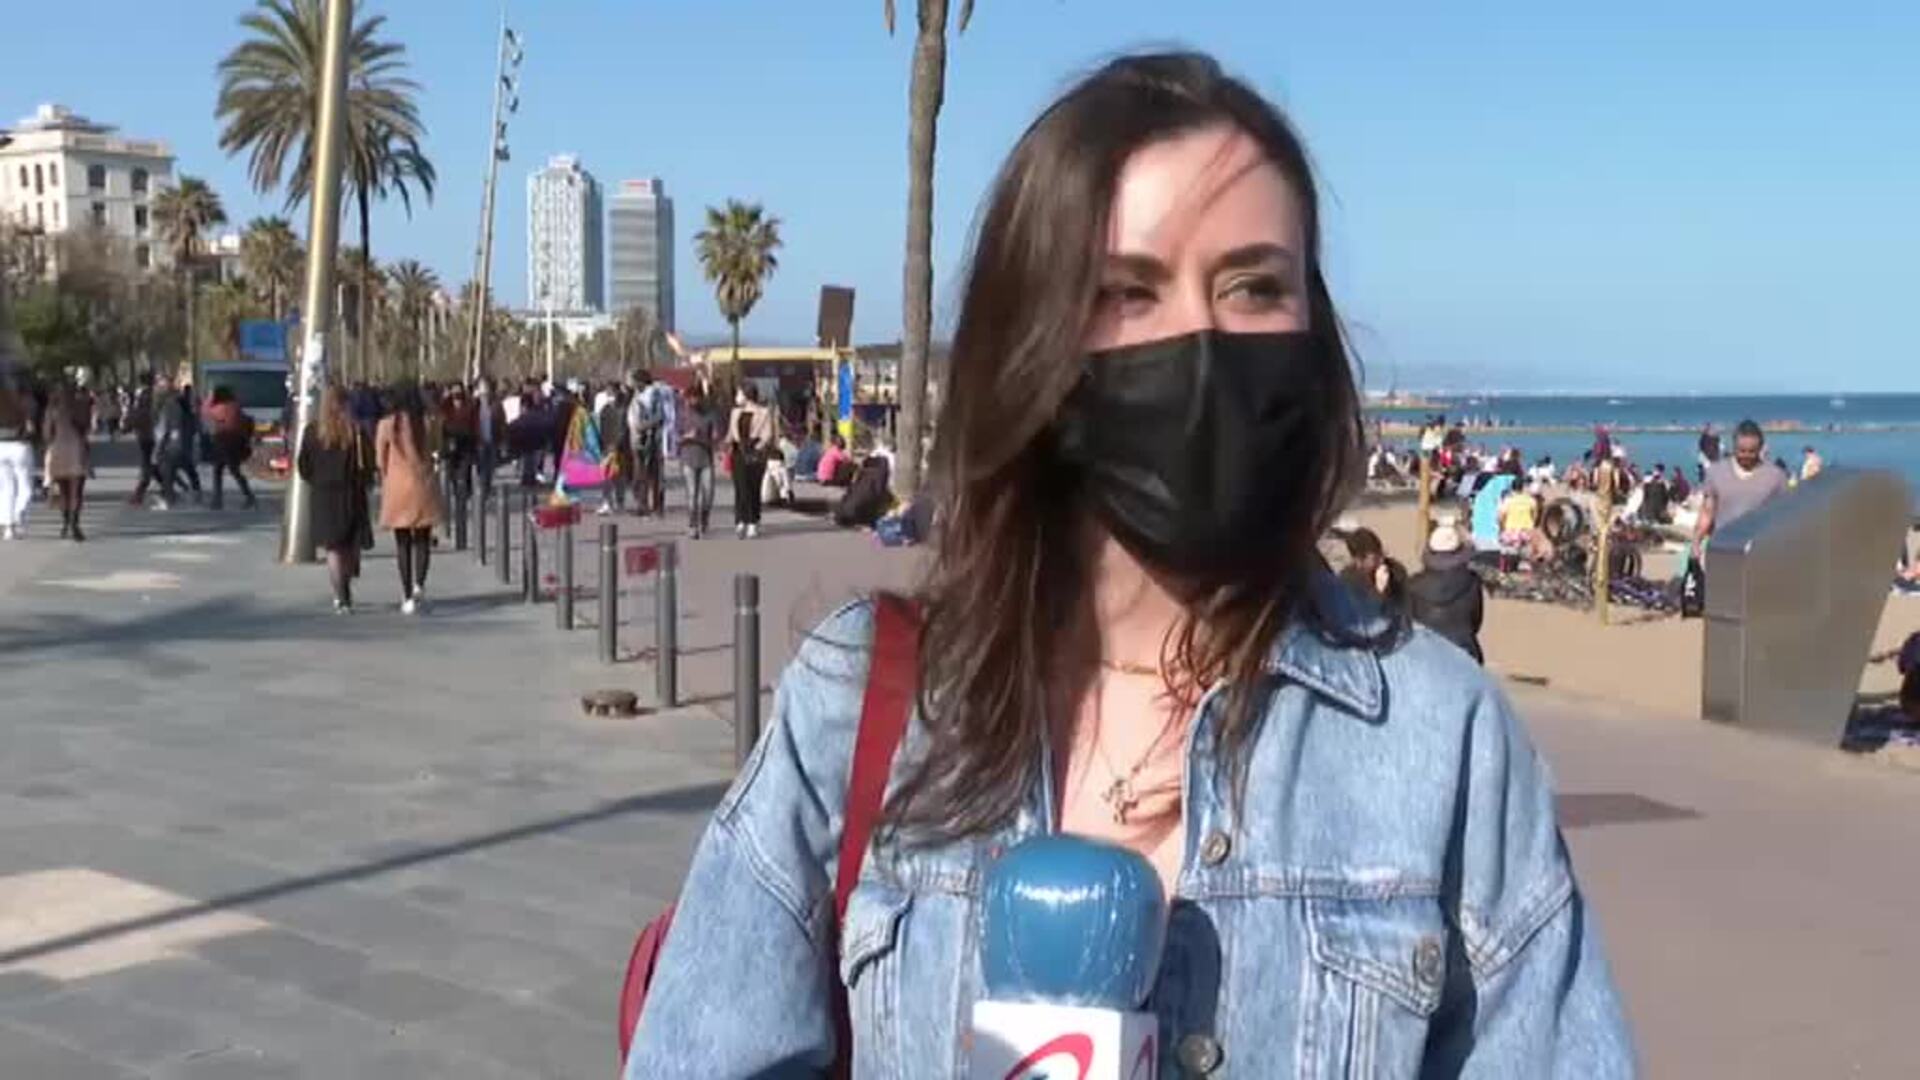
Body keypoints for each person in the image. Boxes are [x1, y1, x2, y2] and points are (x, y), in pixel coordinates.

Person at [626, 51, 1629, 1077]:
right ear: (1037, 352)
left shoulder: (1438, 739)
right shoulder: (860, 704)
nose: (1200, 341)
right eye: (1129, 293)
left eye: (1253, 286)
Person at [297, 385, 374, 613]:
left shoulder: (313, 431)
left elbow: (304, 465)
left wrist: (315, 479)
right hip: (351, 493)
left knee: (333, 548)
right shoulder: (355, 432)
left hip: (324, 495)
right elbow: (369, 462)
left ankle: (341, 597)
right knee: (350, 545)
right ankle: (346, 585)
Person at [376, 386, 444, 614]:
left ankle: (406, 595)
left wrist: (387, 474)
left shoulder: (387, 425)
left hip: (397, 486)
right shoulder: (427, 423)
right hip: (423, 484)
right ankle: (419, 585)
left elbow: (380, 459)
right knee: (423, 539)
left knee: (402, 543)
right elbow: (437, 448)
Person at [1695, 418, 1789, 551]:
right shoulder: (1715, 472)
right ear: (1733, 446)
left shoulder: (1776, 476)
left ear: (1760, 448)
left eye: (1752, 451)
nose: (1746, 455)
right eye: (1741, 450)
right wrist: (1696, 542)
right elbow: (1707, 513)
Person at [1407, 522, 1485, 664]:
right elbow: (1475, 621)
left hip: (1424, 653)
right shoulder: (1471, 581)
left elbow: (1408, 623)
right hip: (1464, 650)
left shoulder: (1412, 584)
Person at [40, 385, 90, 541]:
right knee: (77, 492)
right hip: (76, 450)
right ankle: (75, 525)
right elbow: (85, 427)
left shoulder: (51, 411)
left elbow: (47, 434)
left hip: (57, 451)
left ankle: (65, 524)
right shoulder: (79, 408)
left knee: (63, 491)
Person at [726, 382, 774, 538]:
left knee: (753, 488)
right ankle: (740, 520)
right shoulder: (735, 412)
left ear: (747, 395)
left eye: (739, 393)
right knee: (740, 488)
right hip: (738, 452)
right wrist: (725, 444)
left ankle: (753, 521)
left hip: (755, 452)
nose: (737, 397)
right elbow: (731, 434)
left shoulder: (764, 412)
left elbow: (767, 434)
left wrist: (757, 447)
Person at [676, 383, 723, 537]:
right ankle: (692, 525)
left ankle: (704, 521)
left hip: (706, 458)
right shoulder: (682, 414)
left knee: (708, 494)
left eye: (695, 398)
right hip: (688, 457)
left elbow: (716, 435)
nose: (692, 402)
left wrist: (715, 439)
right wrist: (687, 436)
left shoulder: (710, 414)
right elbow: (675, 437)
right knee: (692, 494)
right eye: (689, 399)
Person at [203, 386, 257, 510]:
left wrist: (209, 398)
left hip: (224, 441)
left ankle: (219, 500)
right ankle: (247, 496)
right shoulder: (235, 406)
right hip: (236, 442)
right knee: (232, 470)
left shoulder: (221, 407)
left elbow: (205, 412)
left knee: (220, 470)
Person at [0, 378, 30, 540]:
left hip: (0, 447)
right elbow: (30, 426)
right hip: (19, 445)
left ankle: (8, 528)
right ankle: (19, 512)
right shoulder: (21, 402)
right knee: (25, 485)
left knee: (6, 489)